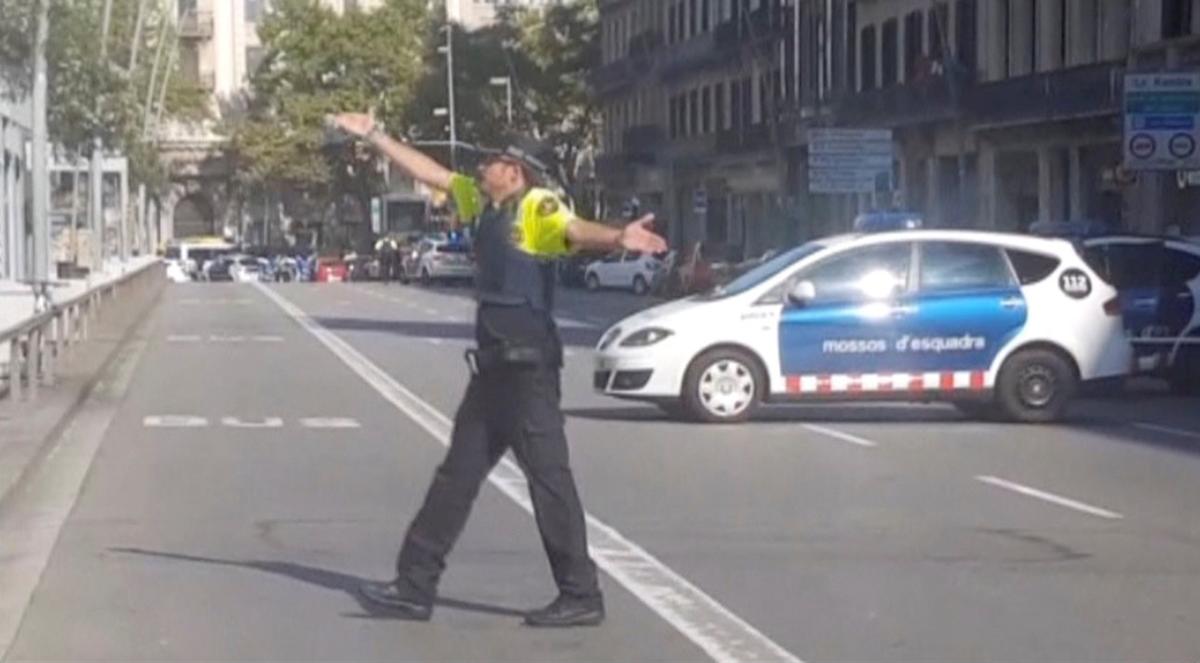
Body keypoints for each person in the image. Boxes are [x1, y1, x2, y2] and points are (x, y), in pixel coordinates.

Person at [330, 112, 667, 627]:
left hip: (528, 373)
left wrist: (620, 237)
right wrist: (375, 136)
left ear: (514, 170)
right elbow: (433, 174)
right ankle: (414, 586)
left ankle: (580, 594)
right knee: (455, 479)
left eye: (491, 160)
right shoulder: (482, 204)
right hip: (492, 372)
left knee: (549, 482)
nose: (480, 166)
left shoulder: (537, 205)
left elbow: (575, 230)